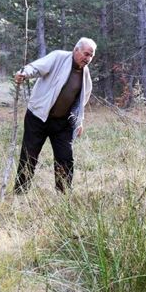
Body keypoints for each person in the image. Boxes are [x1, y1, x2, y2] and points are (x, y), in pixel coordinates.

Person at [13, 37, 96, 194]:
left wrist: (79, 121)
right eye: (86, 54)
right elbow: (37, 67)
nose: (88, 58)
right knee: (29, 155)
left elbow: (81, 100)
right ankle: (20, 193)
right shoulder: (58, 57)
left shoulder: (85, 74)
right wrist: (23, 74)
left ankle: (63, 195)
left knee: (65, 158)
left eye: (91, 56)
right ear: (76, 50)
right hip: (38, 117)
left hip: (62, 123)